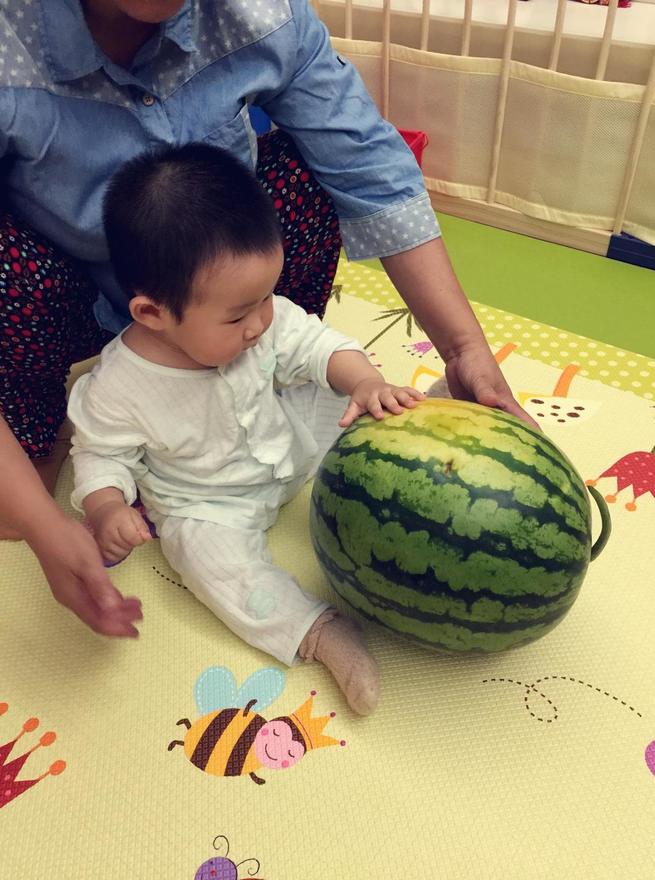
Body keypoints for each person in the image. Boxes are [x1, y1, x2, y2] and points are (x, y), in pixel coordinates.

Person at [0, 0, 533, 641]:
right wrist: (47, 519)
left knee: (314, 183)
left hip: (222, 293)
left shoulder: (260, 15)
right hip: (66, 294)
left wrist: (460, 347)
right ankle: (32, 425)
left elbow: (369, 164)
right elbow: (105, 458)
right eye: (252, 314)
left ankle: (256, 354)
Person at [68, 142, 426, 714]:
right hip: (208, 501)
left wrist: (364, 381)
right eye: (239, 314)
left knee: (355, 400)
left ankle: (433, 418)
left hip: (291, 443)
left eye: (267, 297)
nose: (263, 321)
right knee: (208, 563)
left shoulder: (264, 318)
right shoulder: (119, 385)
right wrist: (108, 508)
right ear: (152, 314)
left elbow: (316, 347)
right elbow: (98, 455)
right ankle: (318, 631)